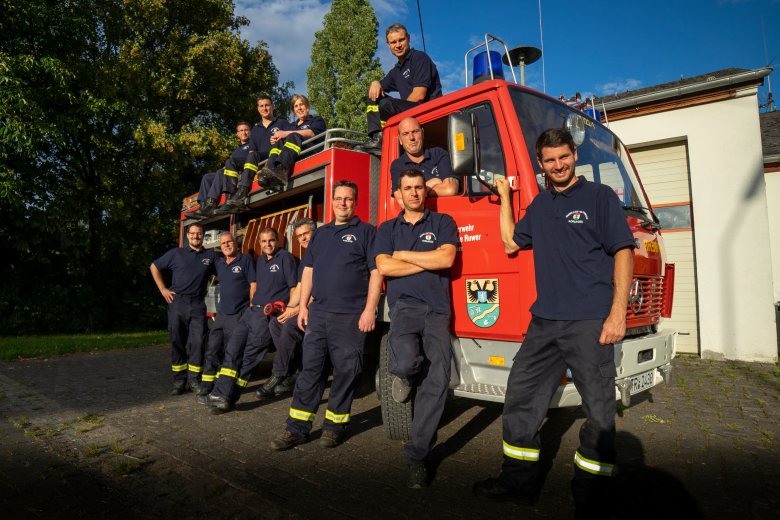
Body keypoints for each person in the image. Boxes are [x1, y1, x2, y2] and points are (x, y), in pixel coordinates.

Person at [473, 129, 635, 516]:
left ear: (573, 155)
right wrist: (507, 198)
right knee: (520, 399)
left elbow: (624, 252)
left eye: (563, 157)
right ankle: (517, 484)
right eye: (550, 160)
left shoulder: (599, 198)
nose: (558, 165)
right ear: (540, 163)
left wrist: (617, 314)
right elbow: (512, 242)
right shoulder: (540, 206)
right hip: (544, 321)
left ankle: (590, 495)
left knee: (598, 411)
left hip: (589, 322)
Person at [270, 181, 382, 450]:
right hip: (318, 314)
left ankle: (334, 427)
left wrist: (370, 309)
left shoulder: (367, 232)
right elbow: (307, 271)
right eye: (338, 198)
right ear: (332, 202)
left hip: (351, 317)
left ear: (355, 203)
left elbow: (377, 273)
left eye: (348, 199)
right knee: (310, 371)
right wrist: (304, 306)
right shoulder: (319, 234)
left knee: (346, 372)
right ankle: (296, 428)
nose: (343, 203)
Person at [374, 169, 458, 489]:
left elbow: (447, 259)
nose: (413, 193)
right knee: (407, 361)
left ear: (426, 191)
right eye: (407, 188)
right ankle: (403, 375)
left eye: (419, 187)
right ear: (399, 194)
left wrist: (405, 256)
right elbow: (384, 266)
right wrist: (427, 258)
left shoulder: (442, 223)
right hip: (405, 308)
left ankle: (417, 456)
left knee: (436, 383)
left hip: (438, 311)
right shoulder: (387, 228)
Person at [204, 227, 298, 414]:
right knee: (232, 351)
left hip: (266, 315)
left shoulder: (285, 258)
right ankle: (220, 394)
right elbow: (254, 285)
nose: (267, 244)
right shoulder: (261, 260)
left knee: (249, 359)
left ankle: (230, 398)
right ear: (260, 244)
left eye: (271, 240)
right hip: (250, 312)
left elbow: (294, 287)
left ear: (278, 241)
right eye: (263, 242)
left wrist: (290, 309)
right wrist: (251, 304)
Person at [150, 222, 217, 395]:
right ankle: (179, 380)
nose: (196, 236)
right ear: (187, 236)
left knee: (198, 342)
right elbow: (154, 266)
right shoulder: (176, 253)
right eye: (193, 233)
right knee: (177, 341)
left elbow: (224, 271)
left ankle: (194, 379)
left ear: (204, 236)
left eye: (199, 233)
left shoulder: (210, 256)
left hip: (197, 304)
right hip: (177, 302)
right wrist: (163, 289)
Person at [255, 217, 316, 399]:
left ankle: (279, 374)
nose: (303, 239)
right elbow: (299, 287)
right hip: (305, 305)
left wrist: (298, 310)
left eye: (306, 233)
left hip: (321, 305)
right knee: (276, 323)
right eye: (299, 236)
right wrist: (289, 308)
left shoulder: (323, 253)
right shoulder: (307, 258)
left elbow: (319, 291)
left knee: (290, 326)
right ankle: (295, 369)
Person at [358, 24, 442, 152]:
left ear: (408, 38)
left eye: (401, 40)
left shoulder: (419, 58)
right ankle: (377, 137)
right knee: (372, 96)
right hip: (410, 112)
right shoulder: (396, 71)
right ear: (388, 45)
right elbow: (379, 87)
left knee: (386, 104)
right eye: (393, 42)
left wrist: (398, 120)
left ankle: (384, 137)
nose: (398, 45)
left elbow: (419, 96)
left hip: (428, 112)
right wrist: (375, 82)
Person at [196, 232, 256, 401]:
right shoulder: (220, 263)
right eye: (223, 244)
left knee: (232, 354)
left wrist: (251, 308)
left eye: (229, 242)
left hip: (238, 315)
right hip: (222, 315)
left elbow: (253, 284)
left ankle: (225, 389)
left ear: (236, 243)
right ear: (220, 247)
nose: (227, 245)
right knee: (212, 350)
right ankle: (206, 387)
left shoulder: (245, 260)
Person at [220, 94, 290, 212]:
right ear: (258, 109)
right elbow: (252, 150)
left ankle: (243, 190)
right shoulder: (255, 129)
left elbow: (291, 138)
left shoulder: (282, 123)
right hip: (261, 159)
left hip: (277, 158)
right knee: (233, 161)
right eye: (261, 106)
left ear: (273, 107)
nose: (265, 108)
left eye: (267, 105)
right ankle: (238, 193)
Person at [258, 94, 326, 189]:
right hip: (295, 155)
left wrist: (286, 133)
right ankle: (270, 170)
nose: (299, 108)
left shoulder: (316, 120)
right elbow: (284, 139)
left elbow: (311, 133)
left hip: (311, 152)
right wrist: (276, 139)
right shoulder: (291, 126)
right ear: (293, 111)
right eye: (296, 106)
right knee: (280, 141)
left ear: (307, 106)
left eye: (301, 104)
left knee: (293, 135)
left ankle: (282, 171)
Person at [390, 117, 458, 208]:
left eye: (415, 131)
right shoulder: (398, 165)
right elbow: (403, 202)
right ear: (400, 140)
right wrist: (432, 183)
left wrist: (413, 192)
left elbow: (450, 190)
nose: (411, 138)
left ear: (422, 133)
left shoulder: (438, 154)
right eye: (405, 134)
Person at [192, 121, 251, 217]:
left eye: (246, 130)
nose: (244, 133)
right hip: (230, 172)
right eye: (241, 131)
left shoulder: (253, 144)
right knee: (207, 177)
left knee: (220, 172)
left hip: (241, 172)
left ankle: (212, 203)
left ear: (250, 131)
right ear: (237, 134)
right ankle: (203, 206)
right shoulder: (236, 150)